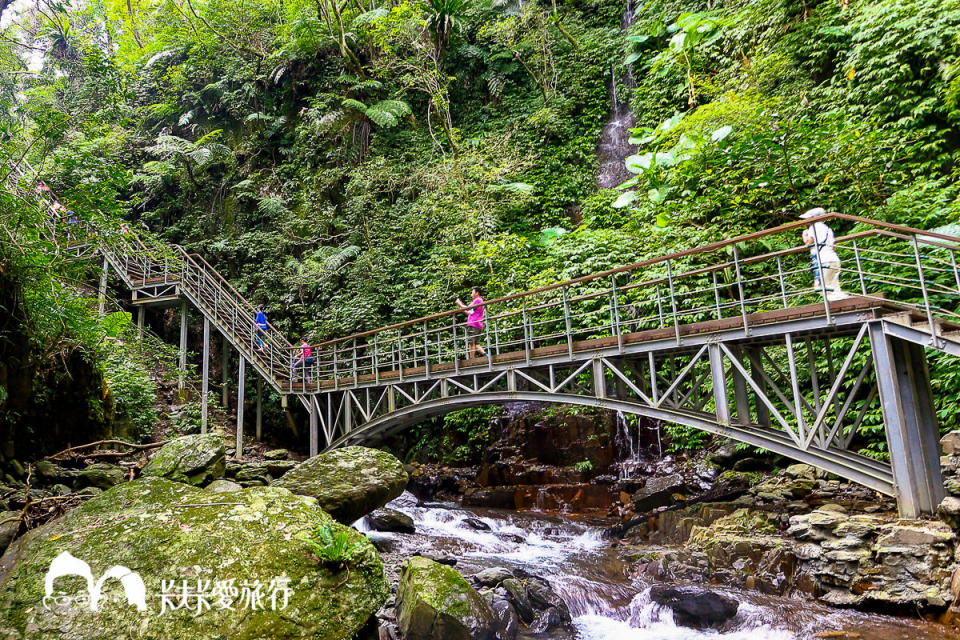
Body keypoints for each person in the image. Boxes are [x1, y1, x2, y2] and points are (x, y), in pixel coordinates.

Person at [801, 207, 846, 301]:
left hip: (823, 260)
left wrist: (805, 235)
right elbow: (833, 246)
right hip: (833, 259)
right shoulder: (827, 229)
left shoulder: (813, 228)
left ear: (813, 218)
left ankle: (835, 307)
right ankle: (844, 302)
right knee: (834, 286)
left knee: (820, 286)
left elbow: (809, 243)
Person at [456, 287, 487, 359]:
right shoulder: (480, 301)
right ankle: (486, 355)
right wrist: (461, 307)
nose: (471, 294)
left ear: (477, 293)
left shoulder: (477, 300)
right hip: (478, 324)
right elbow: (469, 313)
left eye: (472, 292)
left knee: (471, 342)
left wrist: (459, 303)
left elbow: (468, 308)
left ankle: (472, 360)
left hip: (473, 324)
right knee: (476, 343)